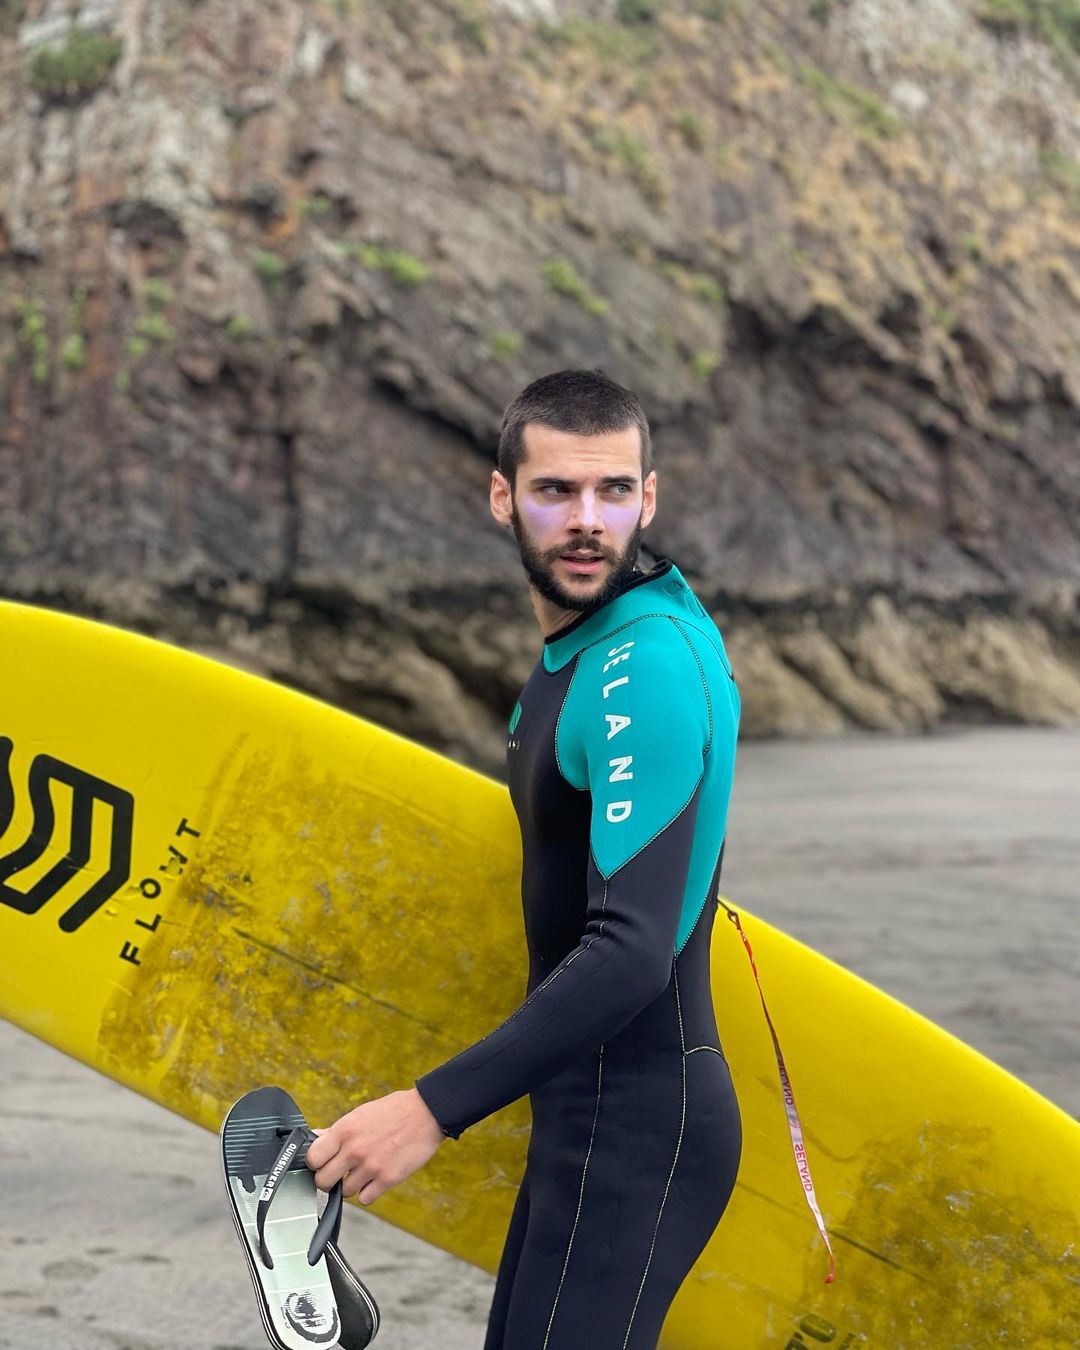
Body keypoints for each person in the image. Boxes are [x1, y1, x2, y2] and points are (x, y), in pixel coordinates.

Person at [306, 369, 743, 1349]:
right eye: (556, 490)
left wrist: (429, 1110)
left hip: (641, 1129)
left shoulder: (649, 663)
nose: (587, 519)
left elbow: (632, 949)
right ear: (503, 497)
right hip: (582, 1117)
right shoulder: (575, 659)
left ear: (648, 498)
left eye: (613, 489)